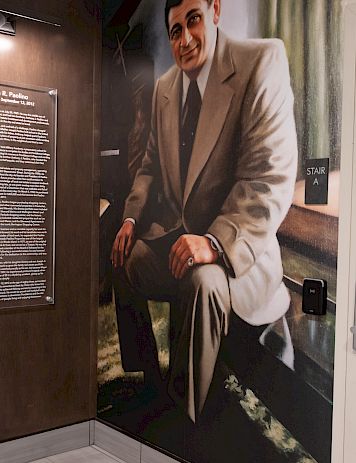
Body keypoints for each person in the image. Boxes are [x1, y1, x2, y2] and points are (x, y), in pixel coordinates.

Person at [110, 0, 297, 423]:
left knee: (203, 281)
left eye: (192, 20)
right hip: (179, 237)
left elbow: (268, 180)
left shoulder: (261, 61)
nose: (185, 39)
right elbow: (149, 168)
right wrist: (129, 218)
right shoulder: (164, 89)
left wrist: (213, 243)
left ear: (214, 10)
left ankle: (183, 419)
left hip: (239, 257)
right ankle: (149, 383)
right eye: (175, 31)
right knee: (124, 257)